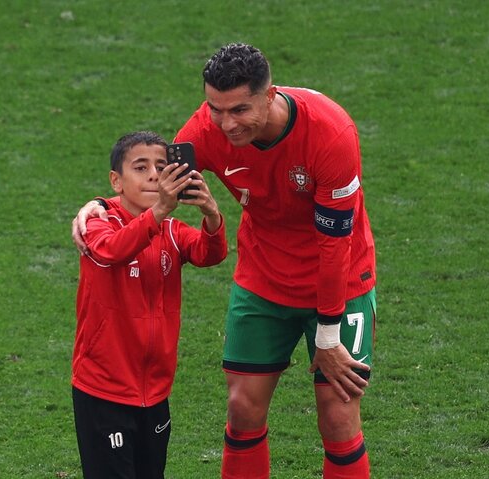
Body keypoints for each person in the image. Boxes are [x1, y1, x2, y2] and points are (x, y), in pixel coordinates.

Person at [73, 43, 377, 479]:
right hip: (263, 281)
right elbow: (153, 177)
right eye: (215, 108)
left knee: (338, 416)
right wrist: (99, 206)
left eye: (239, 110)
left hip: (341, 283)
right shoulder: (205, 130)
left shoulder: (330, 133)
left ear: (269, 95)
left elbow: (334, 245)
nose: (226, 124)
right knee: (241, 408)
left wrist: (328, 335)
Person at [72, 131, 227, 479]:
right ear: (116, 181)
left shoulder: (171, 229)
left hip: (155, 390)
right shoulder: (97, 223)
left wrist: (211, 213)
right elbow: (113, 249)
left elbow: (210, 253)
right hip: (104, 391)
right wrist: (159, 210)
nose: (154, 175)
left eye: (161, 166)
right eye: (140, 168)